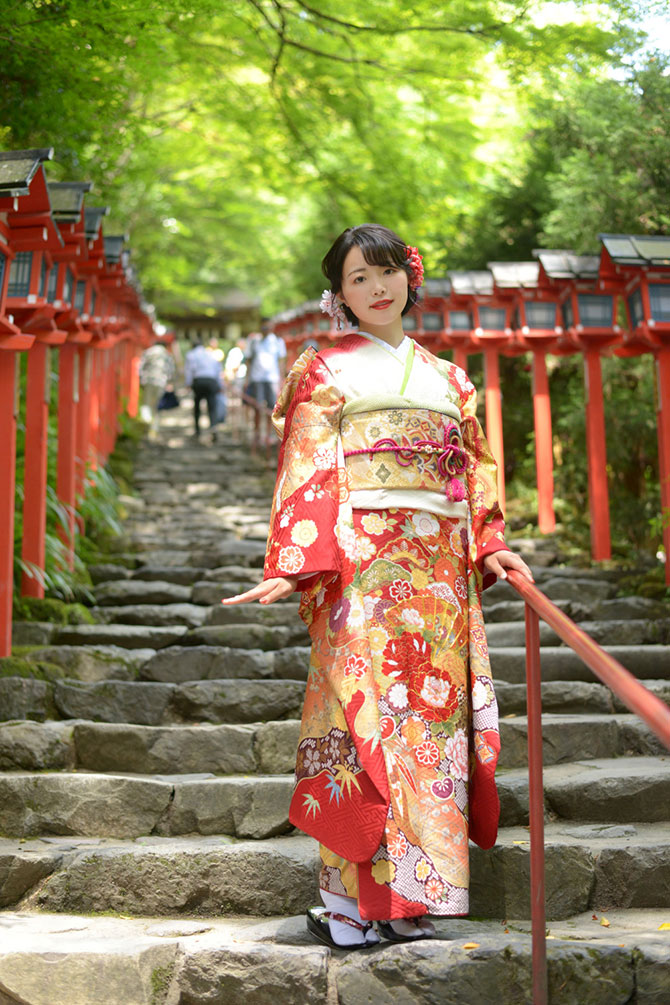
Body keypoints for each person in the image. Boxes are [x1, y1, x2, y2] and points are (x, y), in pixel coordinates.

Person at [223, 224, 533, 950]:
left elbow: (474, 470)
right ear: (340, 294)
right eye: (358, 278)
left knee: (430, 729)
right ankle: (346, 904)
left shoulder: (450, 379)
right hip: (361, 566)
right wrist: (295, 561)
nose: (376, 288)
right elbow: (307, 464)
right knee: (358, 723)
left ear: (409, 278)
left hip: (440, 578)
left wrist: (490, 543)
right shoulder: (323, 368)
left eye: (387, 271)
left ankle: (413, 898)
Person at [244, 319, 286, 451]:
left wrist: (281, 380)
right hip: (256, 378)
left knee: (271, 408)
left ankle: (268, 434)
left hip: (272, 378)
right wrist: (247, 379)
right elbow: (249, 361)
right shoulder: (254, 341)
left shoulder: (277, 342)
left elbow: (281, 362)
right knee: (257, 407)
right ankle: (257, 434)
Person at [184, 337, 223, 440]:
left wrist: (188, 384)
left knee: (197, 406)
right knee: (212, 406)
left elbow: (189, 370)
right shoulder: (210, 354)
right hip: (211, 381)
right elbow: (218, 370)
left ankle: (197, 430)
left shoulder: (191, 354)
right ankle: (213, 427)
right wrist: (220, 385)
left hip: (199, 381)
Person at [138, 341, 176, 439]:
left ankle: (146, 420)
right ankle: (154, 429)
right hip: (161, 381)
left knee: (146, 403)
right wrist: (169, 382)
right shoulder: (167, 355)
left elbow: (140, 367)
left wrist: (140, 380)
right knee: (157, 405)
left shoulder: (148, 352)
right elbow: (171, 370)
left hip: (148, 380)